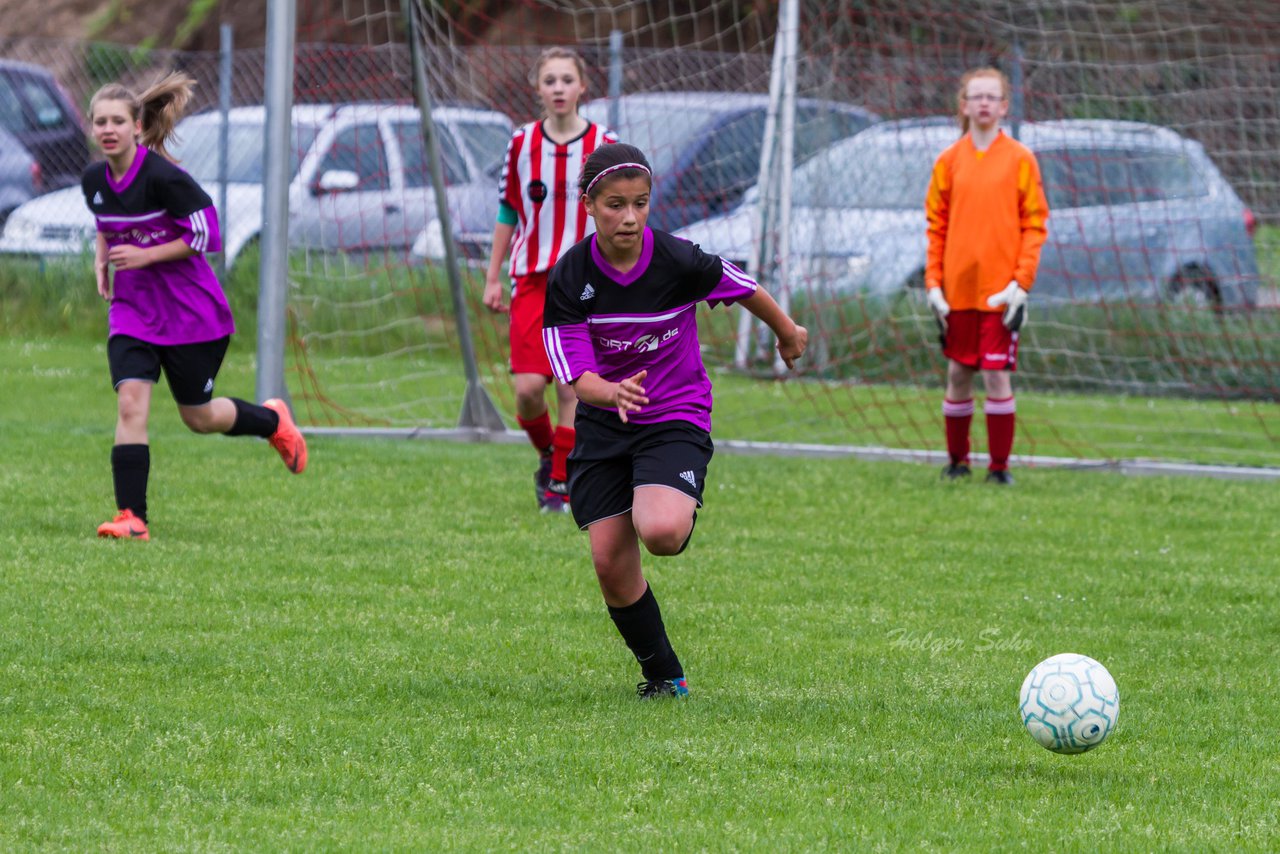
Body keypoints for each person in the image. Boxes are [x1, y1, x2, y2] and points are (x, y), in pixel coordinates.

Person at [542, 143, 808, 698]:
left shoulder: (677, 260)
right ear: (589, 204)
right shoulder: (570, 278)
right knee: (609, 564)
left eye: (640, 203)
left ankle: (670, 497)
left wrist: (787, 331)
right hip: (604, 421)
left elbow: (743, 287)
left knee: (660, 531)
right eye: (615, 205)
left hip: (674, 413)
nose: (631, 217)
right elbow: (575, 378)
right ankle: (664, 675)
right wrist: (611, 391)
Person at [84, 71, 307, 541]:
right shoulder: (93, 180)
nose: (108, 129)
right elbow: (106, 219)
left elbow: (208, 234)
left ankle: (272, 421)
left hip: (191, 315)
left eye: (117, 121)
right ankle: (132, 517)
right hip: (132, 311)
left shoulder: (165, 178)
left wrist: (144, 254)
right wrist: (102, 255)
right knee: (130, 404)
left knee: (198, 417)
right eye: (99, 121)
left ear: (137, 128)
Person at [483, 47, 617, 514]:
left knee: (569, 386)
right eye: (550, 80)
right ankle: (548, 455)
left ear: (582, 87)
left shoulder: (604, 142)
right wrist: (492, 275)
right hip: (533, 280)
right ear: (537, 88)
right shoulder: (521, 143)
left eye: (567, 79)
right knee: (526, 389)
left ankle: (560, 483)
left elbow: (621, 207)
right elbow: (507, 210)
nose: (559, 88)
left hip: (587, 282)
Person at [924, 67, 1049, 485]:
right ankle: (957, 463)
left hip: (1001, 294)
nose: (983, 103)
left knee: (997, 374)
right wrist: (933, 285)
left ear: (1004, 106)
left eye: (991, 97)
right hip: (957, 292)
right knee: (958, 373)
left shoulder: (1020, 159)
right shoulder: (948, 161)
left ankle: (999, 469)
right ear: (963, 104)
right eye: (975, 96)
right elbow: (935, 227)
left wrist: (1021, 283)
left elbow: (1035, 224)